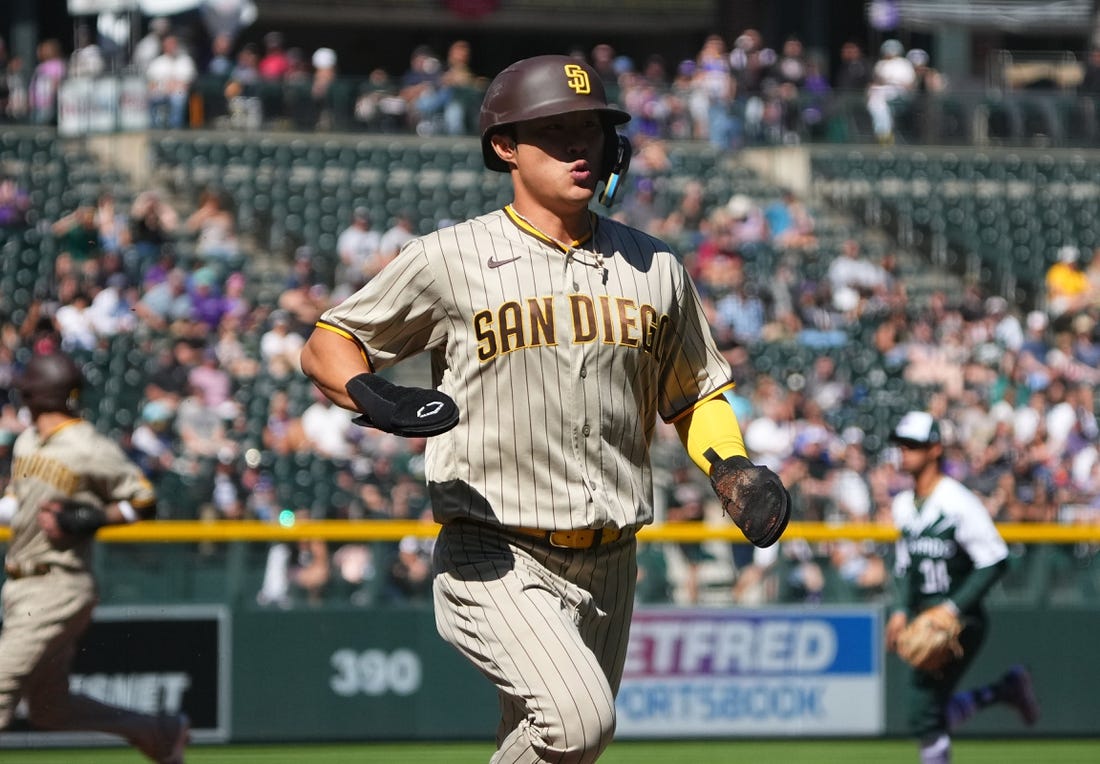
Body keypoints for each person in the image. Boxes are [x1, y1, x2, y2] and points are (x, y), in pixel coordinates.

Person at [300, 54, 789, 762]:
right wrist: (373, 392)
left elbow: (695, 393)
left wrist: (731, 467)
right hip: (496, 549)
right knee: (579, 722)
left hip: (612, 559)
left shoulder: (654, 269)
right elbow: (330, 341)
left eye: (589, 130)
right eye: (554, 131)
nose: (578, 147)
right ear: (505, 147)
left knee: (562, 749)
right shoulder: (452, 257)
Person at [0, 352, 189, 762]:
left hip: (58, 585)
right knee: (50, 709)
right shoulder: (28, 440)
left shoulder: (88, 446)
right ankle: (156, 730)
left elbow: (143, 500)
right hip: (20, 585)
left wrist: (87, 518)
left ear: (34, 394)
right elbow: (16, 505)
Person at [885, 410, 1040, 764]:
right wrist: (898, 611)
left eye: (913, 445)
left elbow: (996, 559)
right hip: (923, 614)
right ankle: (1005, 689)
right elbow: (904, 568)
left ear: (935, 449)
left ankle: (1005, 690)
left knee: (921, 708)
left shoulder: (957, 501)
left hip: (961, 619)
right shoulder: (903, 505)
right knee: (929, 711)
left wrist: (951, 608)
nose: (904, 452)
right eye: (901, 445)